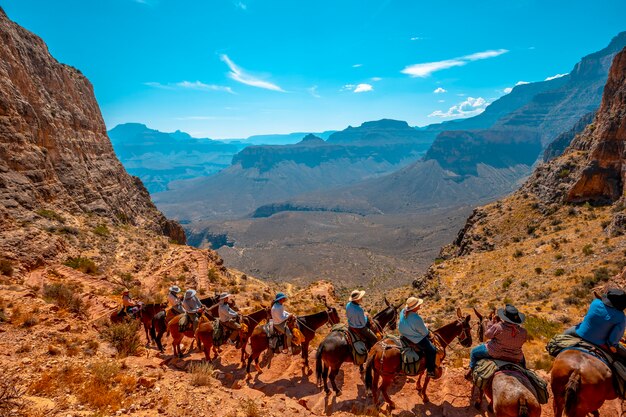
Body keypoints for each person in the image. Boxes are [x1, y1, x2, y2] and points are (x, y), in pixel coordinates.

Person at [466, 304, 528, 380]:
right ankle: (525, 372)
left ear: (504, 317)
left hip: (495, 353)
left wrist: (492, 323)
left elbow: (487, 335)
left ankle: (471, 372)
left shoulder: (498, 327)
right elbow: (522, 341)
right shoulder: (523, 332)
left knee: (474, 352)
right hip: (515, 356)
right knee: (523, 359)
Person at [564, 288, 626, 360]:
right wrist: (612, 345)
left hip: (581, 332)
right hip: (599, 342)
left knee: (564, 334)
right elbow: (613, 339)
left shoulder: (595, 302)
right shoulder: (621, 317)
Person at [398, 297, 437, 378]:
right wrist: (426, 327)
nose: (420, 306)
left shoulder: (403, 311)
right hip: (415, 339)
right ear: (414, 307)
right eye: (418, 305)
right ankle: (430, 371)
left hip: (404, 335)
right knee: (432, 350)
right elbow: (424, 332)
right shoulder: (416, 318)